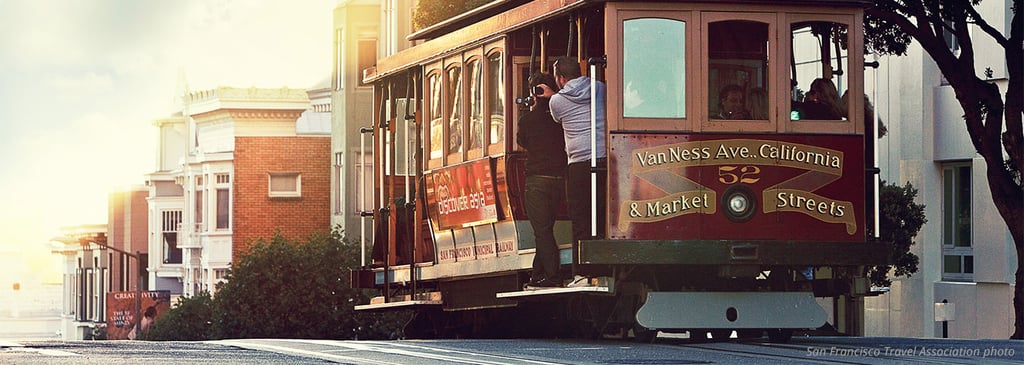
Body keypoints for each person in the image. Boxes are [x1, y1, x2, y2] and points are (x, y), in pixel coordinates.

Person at [549, 56, 607, 288]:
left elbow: (556, 119)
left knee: (580, 218)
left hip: (579, 164)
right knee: (603, 215)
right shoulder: (601, 88)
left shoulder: (556, 101)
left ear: (560, 78)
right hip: (605, 158)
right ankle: (606, 267)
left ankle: (582, 272)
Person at [516, 73, 567, 289]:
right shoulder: (560, 116)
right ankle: (538, 273)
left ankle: (553, 276)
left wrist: (533, 110)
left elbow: (522, 142)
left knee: (542, 230)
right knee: (544, 227)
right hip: (558, 181)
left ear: (535, 92)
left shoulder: (528, 120)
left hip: (537, 181)